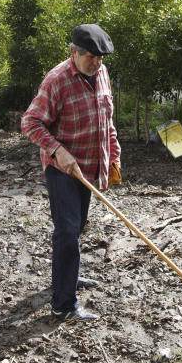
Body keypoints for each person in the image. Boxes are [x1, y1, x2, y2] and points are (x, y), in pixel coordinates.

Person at [21, 24, 122, 321]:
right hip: (62, 169)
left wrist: (113, 157)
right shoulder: (57, 81)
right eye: (91, 57)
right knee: (66, 231)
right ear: (73, 53)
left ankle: (68, 276)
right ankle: (63, 304)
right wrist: (57, 151)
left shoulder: (101, 74)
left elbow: (108, 120)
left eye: (101, 58)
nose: (97, 63)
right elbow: (30, 123)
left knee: (76, 228)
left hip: (90, 168)